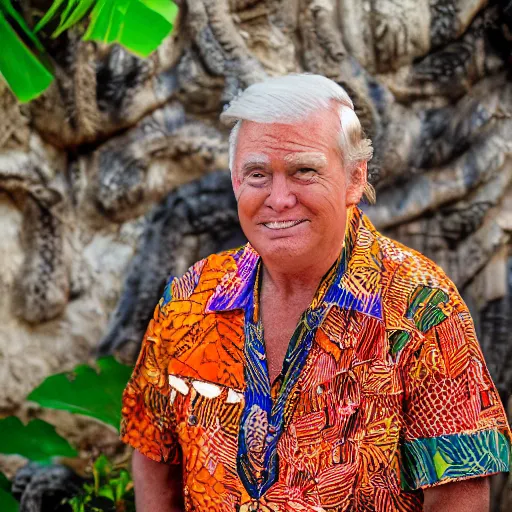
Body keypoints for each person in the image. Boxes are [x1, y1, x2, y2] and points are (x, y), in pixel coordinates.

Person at [120, 74, 511, 512]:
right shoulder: (191, 297)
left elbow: (459, 495)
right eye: (257, 174)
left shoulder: (421, 306)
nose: (279, 198)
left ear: (354, 178)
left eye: (304, 171)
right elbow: (155, 452)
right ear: (234, 182)